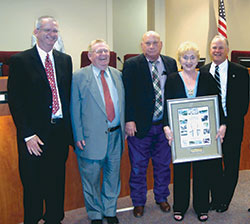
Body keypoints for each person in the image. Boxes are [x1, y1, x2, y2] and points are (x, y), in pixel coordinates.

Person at [7, 16, 73, 224]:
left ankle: (54, 218)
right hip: (34, 136)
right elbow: (16, 101)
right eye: (47, 30)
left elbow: (67, 97)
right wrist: (27, 135)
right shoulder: (20, 61)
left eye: (55, 31)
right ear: (35, 32)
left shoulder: (65, 60)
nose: (52, 35)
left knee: (56, 184)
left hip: (58, 133)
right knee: (33, 185)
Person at [163, 41, 226, 222]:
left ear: (198, 59)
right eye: (185, 57)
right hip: (180, 134)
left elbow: (217, 103)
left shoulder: (206, 77)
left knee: (202, 171)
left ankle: (201, 207)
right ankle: (180, 207)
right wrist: (166, 127)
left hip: (203, 134)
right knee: (181, 170)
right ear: (179, 59)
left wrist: (222, 125)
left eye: (193, 57)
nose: (189, 61)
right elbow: (168, 106)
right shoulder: (173, 79)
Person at [122, 31, 178, 217]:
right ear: (142, 45)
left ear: (161, 44)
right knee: (138, 167)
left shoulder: (170, 63)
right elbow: (127, 94)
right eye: (148, 43)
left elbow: (173, 93)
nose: (152, 46)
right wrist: (129, 119)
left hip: (163, 126)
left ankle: (162, 197)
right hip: (140, 126)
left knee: (163, 165)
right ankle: (138, 202)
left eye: (155, 43)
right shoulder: (131, 65)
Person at [70, 39, 125, 224]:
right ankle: (94, 214)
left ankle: (110, 211)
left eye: (106, 51)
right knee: (91, 180)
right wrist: (77, 135)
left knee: (112, 177)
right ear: (90, 56)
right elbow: (74, 108)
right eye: (98, 51)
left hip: (116, 135)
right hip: (89, 138)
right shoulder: (78, 76)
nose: (103, 55)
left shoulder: (118, 75)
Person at [200, 35, 249, 212]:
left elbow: (243, 104)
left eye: (221, 47)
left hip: (232, 126)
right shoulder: (203, 71)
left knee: (230, 164)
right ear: (210, 50)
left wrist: (226, 124)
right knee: (212, 166)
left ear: (227, 49)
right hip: (210, 129)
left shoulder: (241, 71)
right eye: (214, 47)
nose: (217, 51)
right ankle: (216, 197)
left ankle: (224, 200)